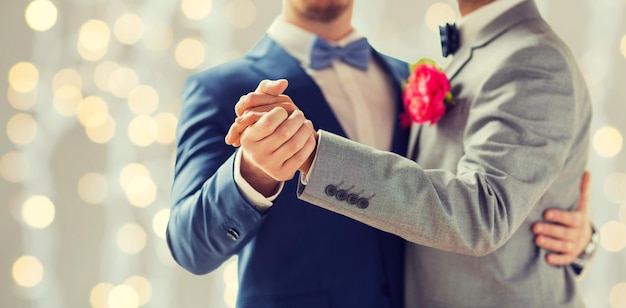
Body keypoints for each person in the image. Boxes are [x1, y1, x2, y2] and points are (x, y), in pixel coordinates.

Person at [169, 0, 594, 307]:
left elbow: (471, 198)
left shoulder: (406, 77)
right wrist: (252, 173)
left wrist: (576, 236)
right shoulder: (221, 90)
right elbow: (191, 248)